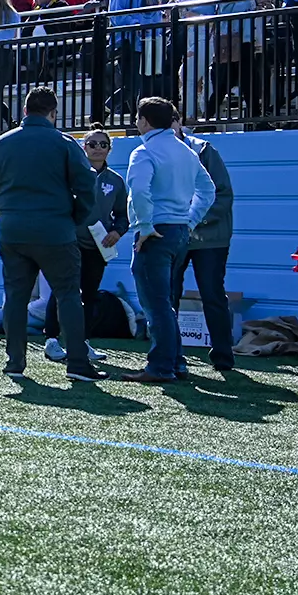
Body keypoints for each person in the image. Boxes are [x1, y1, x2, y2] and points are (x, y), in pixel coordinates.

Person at [0, 86, 102, 381]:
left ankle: (15, 362)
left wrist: (3, 213)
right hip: (56, 229)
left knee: (16, 297)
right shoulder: (65, 144)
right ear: (53, 113)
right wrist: (73, 218)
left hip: (13, 229)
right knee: (68, 294)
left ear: (24, 111)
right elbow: (87, 187)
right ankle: (78, 363)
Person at [123, 97, 217, 383]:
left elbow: (139, 191)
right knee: (165, 301)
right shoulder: (187, 151)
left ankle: (162, 366)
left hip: (155, 231)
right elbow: (208, 190)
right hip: (179, 231)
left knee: (156, 302)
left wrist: (146, 225)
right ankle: (176, 362)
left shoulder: (144, 151)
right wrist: (189, 220)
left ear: (145, 121)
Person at [44, 130, 127, 363]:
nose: (98, 148)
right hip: (70, 242)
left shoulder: (116, 181)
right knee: (62, 290)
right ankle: (51, 339)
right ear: (84, 147)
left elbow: (123, 215)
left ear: (109, 149)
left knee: (90, 296)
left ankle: (82, 343)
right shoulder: (71, 175)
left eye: (103, 144)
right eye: (92, 144)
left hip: (99, 246)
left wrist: (116, 232)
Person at [173, 122, 237, 373]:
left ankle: (223, 355)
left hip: (210, 237)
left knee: (212, 294)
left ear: (178, 124)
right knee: (168, 294)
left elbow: (223, 194)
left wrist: (194, 219)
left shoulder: (203, 150)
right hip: (175, 234)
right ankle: (172, 354)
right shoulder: (154, 151)